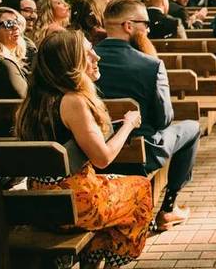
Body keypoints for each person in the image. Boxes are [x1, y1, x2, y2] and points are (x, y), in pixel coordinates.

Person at [16, 30, 153, 268]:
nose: (96, 57)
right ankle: (108, 263)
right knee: (140, 187)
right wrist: (129, 125)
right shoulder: (73, 101)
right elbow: (103, 158)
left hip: (39, 202)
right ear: (71, 63)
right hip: (73, 205)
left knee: (115, 186)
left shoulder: (34, 99)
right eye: (88, 53)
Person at [95, 0, 199, 231]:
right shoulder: (151, 65)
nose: (149, 30)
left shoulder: (84, 60)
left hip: (93, 150)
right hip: (141, 153)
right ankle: (168, 209)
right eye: (146, 24)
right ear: (128, 26)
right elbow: (164, 119)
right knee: (192, 128)